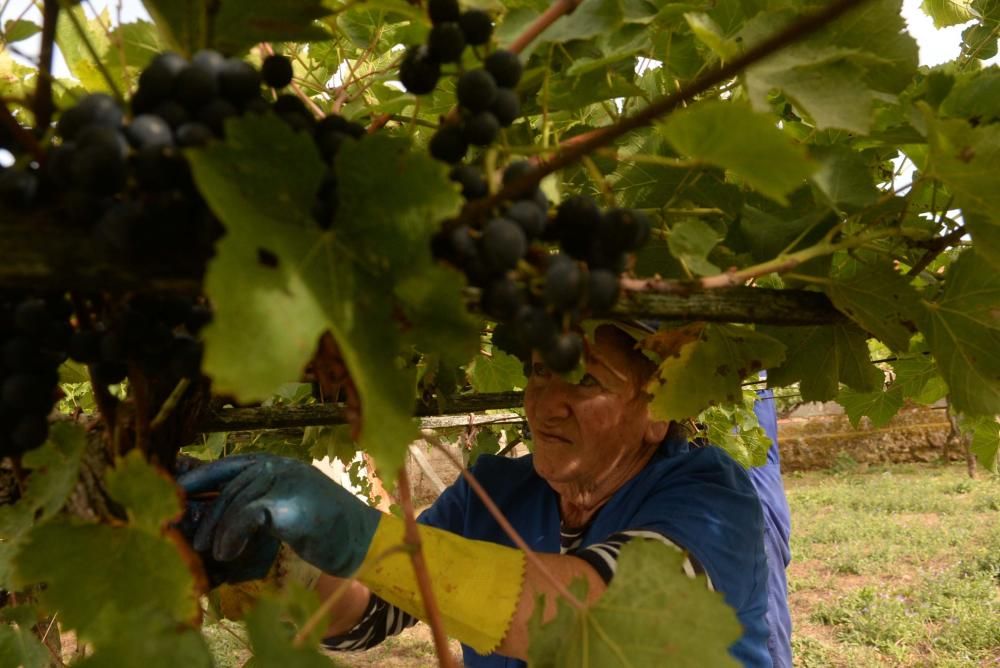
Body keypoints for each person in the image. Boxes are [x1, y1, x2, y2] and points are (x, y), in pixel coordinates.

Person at [179, 324, 774, 666]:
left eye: (588, 379)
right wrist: (288, 566)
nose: (547, 402)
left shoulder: (712, 499)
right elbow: (369, 613)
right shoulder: (492, 491)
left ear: (659, 411)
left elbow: (604, 618)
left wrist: (361, 533)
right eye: (540, 370)